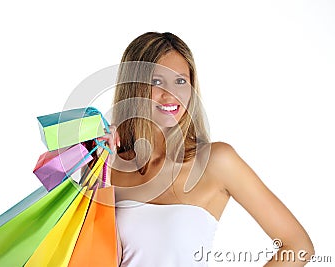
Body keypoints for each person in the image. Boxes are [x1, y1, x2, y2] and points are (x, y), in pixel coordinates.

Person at [94, 32, 314, 266]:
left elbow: (298, 246)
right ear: (132, 87)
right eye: (156, 82)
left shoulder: (216, 161)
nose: (170, 94)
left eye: (180, 81)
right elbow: (91, 253)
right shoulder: (110, 169)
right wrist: (99, 170)